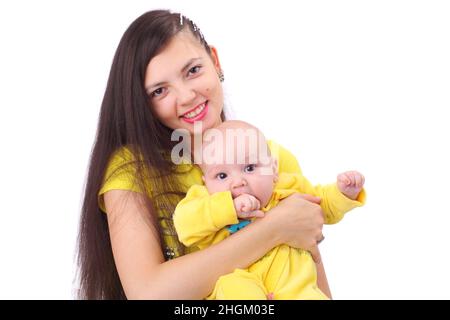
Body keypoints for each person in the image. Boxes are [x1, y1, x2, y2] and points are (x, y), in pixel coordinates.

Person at [77, 9, 331, 299]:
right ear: (143, 104)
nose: (186, 96)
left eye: (193, 71)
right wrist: (274, 228)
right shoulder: (131, 170)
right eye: (160, 91)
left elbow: (314, 283)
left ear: (215, 61)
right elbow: (149, 293)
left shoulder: (270, 158)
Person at [173, 120, 366, 300]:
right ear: (205, 182)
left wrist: (343, 192)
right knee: (232, 287)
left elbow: (320, 207)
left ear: (273, 169)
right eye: (222, 175)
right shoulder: (204, 201)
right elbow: (185, 226)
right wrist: (227, 207)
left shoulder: (288, 187)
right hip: (240, 281)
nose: (238, 182)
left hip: (295, 287)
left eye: (249, 168)